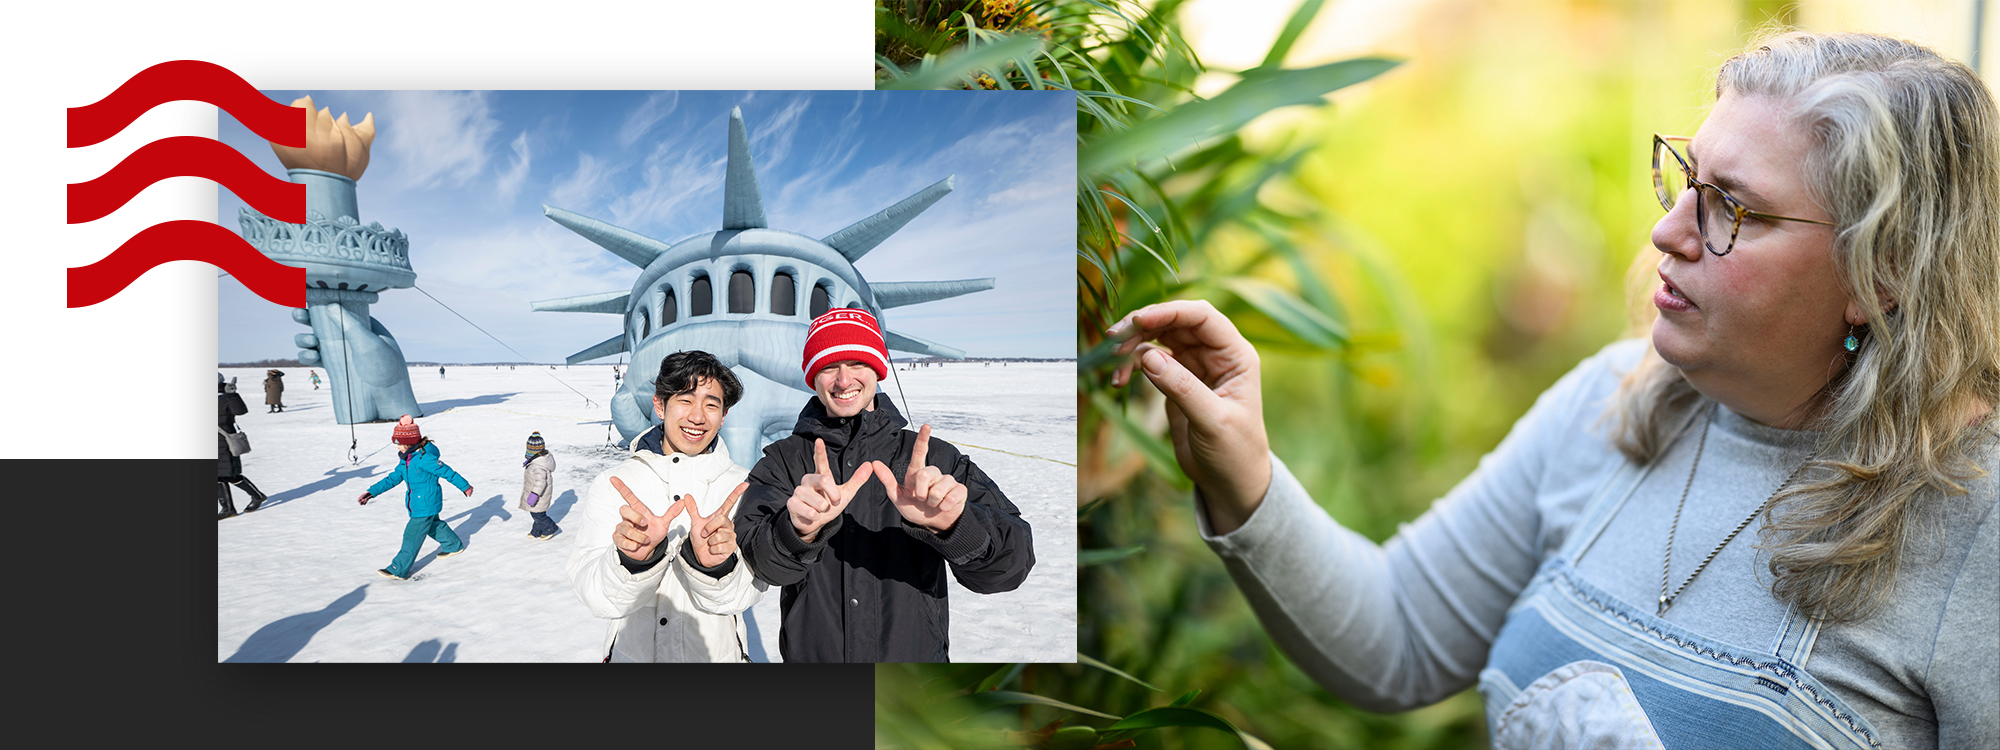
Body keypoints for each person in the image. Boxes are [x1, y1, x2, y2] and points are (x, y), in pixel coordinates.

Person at [1106, 30, 1997, 749]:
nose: (1668, 230)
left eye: (1735, 209)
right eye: (1688, 182)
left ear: (1883, 270)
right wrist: (1244, 472)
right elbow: (1399, 639)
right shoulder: (1611, 404)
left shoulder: (1977, 523)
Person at [736, 308, 1036, 662]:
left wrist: (957, 528)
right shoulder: (784, 461)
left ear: (878, 370)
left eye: (857, 364)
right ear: (813, 378)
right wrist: (796, 533)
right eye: (829, 367)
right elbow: (757, 564)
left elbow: (1010, 567)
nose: (844, 381)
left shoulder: (932, 458)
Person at [566, 350, 764, 662]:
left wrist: (717, 567)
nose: (698, 417)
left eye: (711, 404)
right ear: (660, 405)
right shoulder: (615, 483)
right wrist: (630, 563)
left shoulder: (741, 487)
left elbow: (747, 593)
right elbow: (597, 598)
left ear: (723, 416)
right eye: (685, 400)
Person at [358, 415, 474, 580]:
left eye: (398, 443)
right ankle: (453, 545)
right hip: (420, 502)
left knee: (412, 535)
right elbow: (392, 478)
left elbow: (447, 472)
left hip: (425, 503)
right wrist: (371, 492)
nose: (396, 446)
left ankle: (399, 568)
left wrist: (465, 486)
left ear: (408, 442)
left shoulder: (425, 459)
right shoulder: (406, 460)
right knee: (433, 526)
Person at [217, 373, 267, 519]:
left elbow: (240, 411)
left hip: (225, 440)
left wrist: (233, 395)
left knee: (231, 474)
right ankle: (228, 509)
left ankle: (257, 496)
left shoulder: (226, 397)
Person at [520, 432, 560, 540]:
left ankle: (550, 527)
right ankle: (536, 530)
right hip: (539, 495)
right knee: (536, 513)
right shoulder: (537, 461)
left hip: (539, 495)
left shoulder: (538, 465)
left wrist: (534, 494)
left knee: (538, 514)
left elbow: (541, 482)